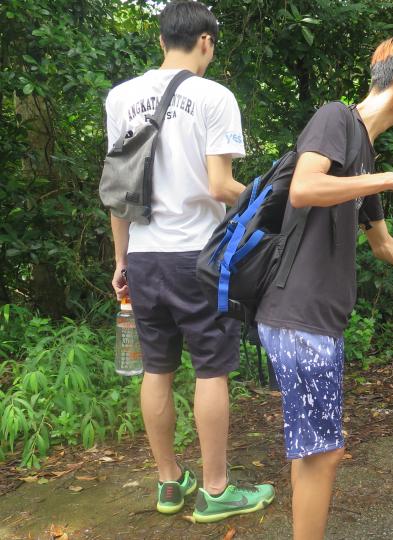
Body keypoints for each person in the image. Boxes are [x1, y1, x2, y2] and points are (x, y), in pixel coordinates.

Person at [253, 34, 393, 539]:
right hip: (297, 313)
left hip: (318, 320)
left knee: (315, 451)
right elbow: (305, 189)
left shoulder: (365, 153)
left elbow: (384, 246)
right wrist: (391, 179)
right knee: (324, 452)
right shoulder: (336, 118)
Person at [105, 0, 275, 522]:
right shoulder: (213, 96)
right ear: (206, 42)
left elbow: (119, 190)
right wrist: (272, 205)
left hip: (145, 256)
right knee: (211, 370)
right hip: (199, 258)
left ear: (161, 40)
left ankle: (168, 484)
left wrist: (122, 260)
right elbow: (220, 185)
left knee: (155, 370)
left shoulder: (121, 97)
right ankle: (217, 490)